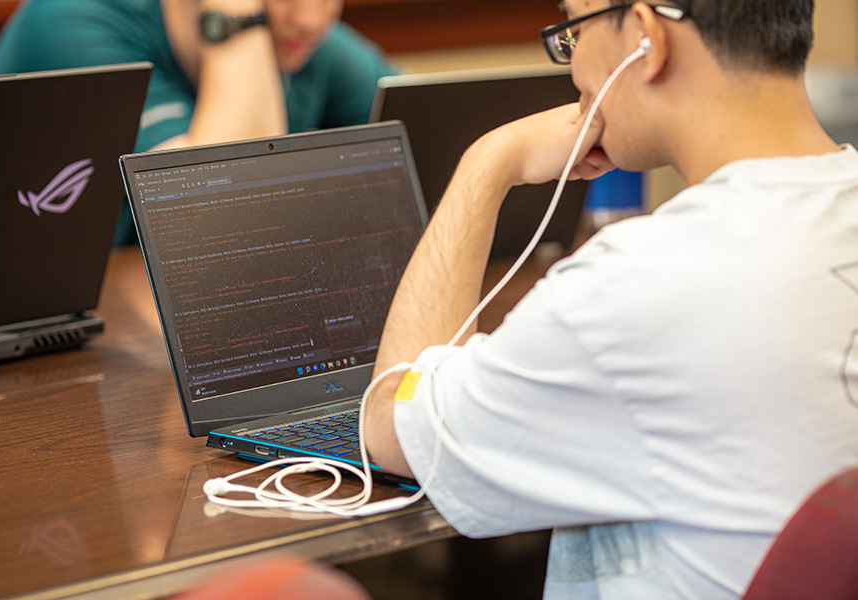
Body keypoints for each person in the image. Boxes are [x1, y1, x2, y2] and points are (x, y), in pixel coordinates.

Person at [364, 0, 858, 598]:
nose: (573, 74)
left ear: (648, 39)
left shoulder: (633, 286)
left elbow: (390, 428)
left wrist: (485, 164)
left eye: (574, 31)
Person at [0, 0, 396, 245]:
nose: (310, 19)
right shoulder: (69, 21)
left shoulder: (299, 35)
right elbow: (217, 223)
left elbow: (432, 141)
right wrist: (235, 20)